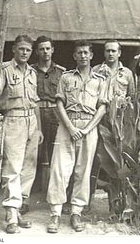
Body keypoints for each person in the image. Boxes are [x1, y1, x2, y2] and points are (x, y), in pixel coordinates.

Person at [46, 40, 108, 233]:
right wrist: (71, 127)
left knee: (84, 169)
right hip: (67, 126)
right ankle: (55, 213)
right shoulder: (65, 78)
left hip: (89, 127)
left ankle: (76, 212)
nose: (82, 56)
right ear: (74, 56)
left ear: (91, 56)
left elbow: (102, 108)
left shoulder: (100, 80)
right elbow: (59, 104)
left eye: (86, 53)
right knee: (60, 169)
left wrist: (87, 128)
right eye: (79, 53)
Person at [0, 34, 44, 234]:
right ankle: (10, 213)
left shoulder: (32, 73)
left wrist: (39, 128)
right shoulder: (4, 70)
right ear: (14, 50)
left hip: (31, 122)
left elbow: (35, 102)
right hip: (14, 120)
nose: (25, 53)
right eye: (21, 49)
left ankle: (18, 209)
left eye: (28, 50)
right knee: (13, 167)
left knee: (28, 168)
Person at [17, 36, 65, 215]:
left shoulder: (61, 72)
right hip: (34, 115)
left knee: (57, 157)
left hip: (55, 115)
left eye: (48, 48)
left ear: (52, 50)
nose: (45, 52)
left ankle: (56, 201)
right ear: (36, 52)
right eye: (41, 49)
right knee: (30, 156)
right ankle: (24, 199)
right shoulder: (29, 71)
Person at [89, 40, 135, 211]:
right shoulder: (95, 71)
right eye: (107, 51)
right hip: (99, 121)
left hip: (119, 124)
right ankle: (87, 201)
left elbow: (132, 98)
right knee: (94, 160)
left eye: (113, 51)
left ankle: (115, 204)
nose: (110, 54)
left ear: (119, 53)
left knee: (117, 162)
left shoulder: (128, 74)